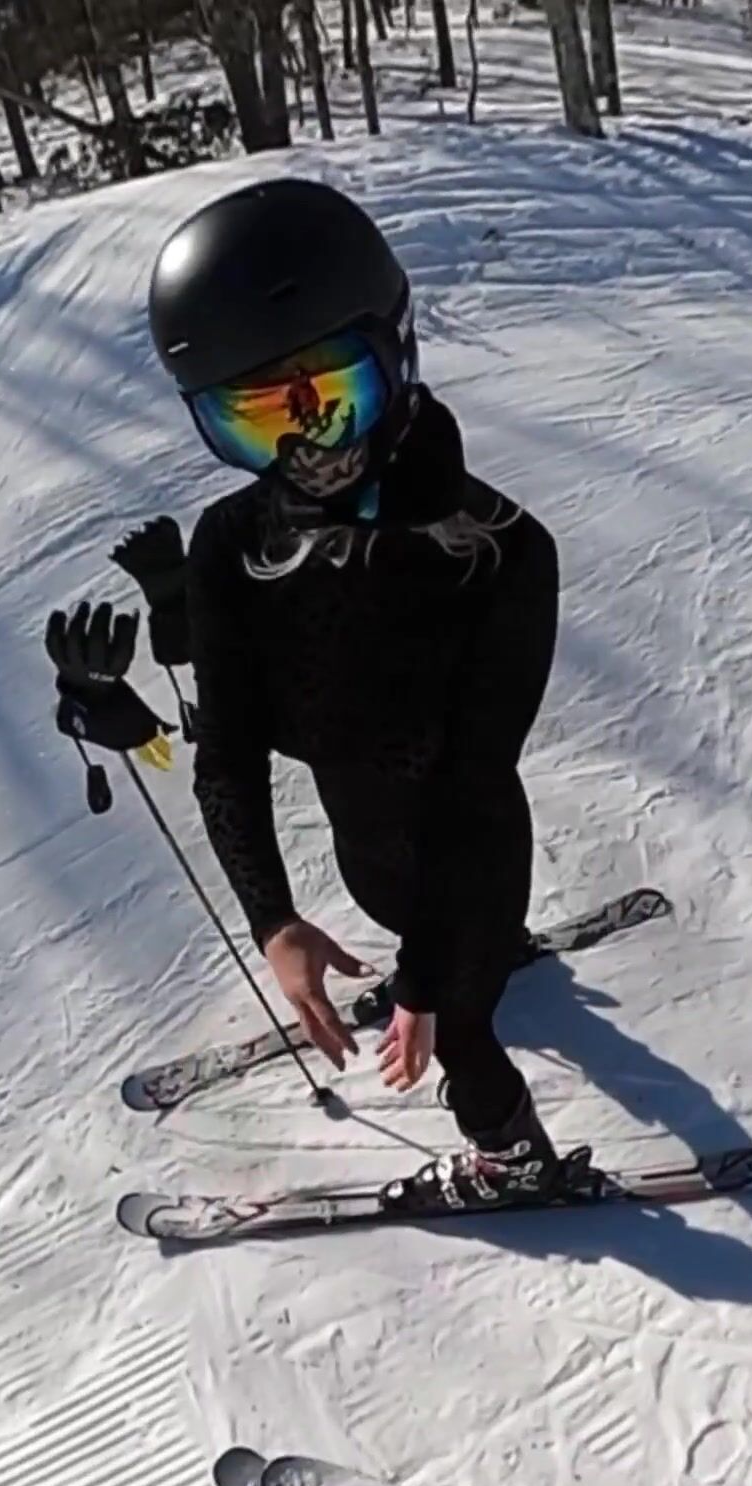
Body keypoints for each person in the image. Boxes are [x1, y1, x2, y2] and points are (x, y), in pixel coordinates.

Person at [147, 176, 575, 1215]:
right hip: (369, 852)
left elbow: (473, 787)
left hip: (473, 858)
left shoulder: (503, 556)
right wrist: (274, 921)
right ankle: (478, 960)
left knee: (463, 1032)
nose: (312, 450)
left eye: (331, 397)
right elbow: (230, 751)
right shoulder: (232, 544)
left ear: (397, 352)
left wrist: (428, 979)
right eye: (259, 423)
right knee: (418, 928)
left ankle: (514, 1159)